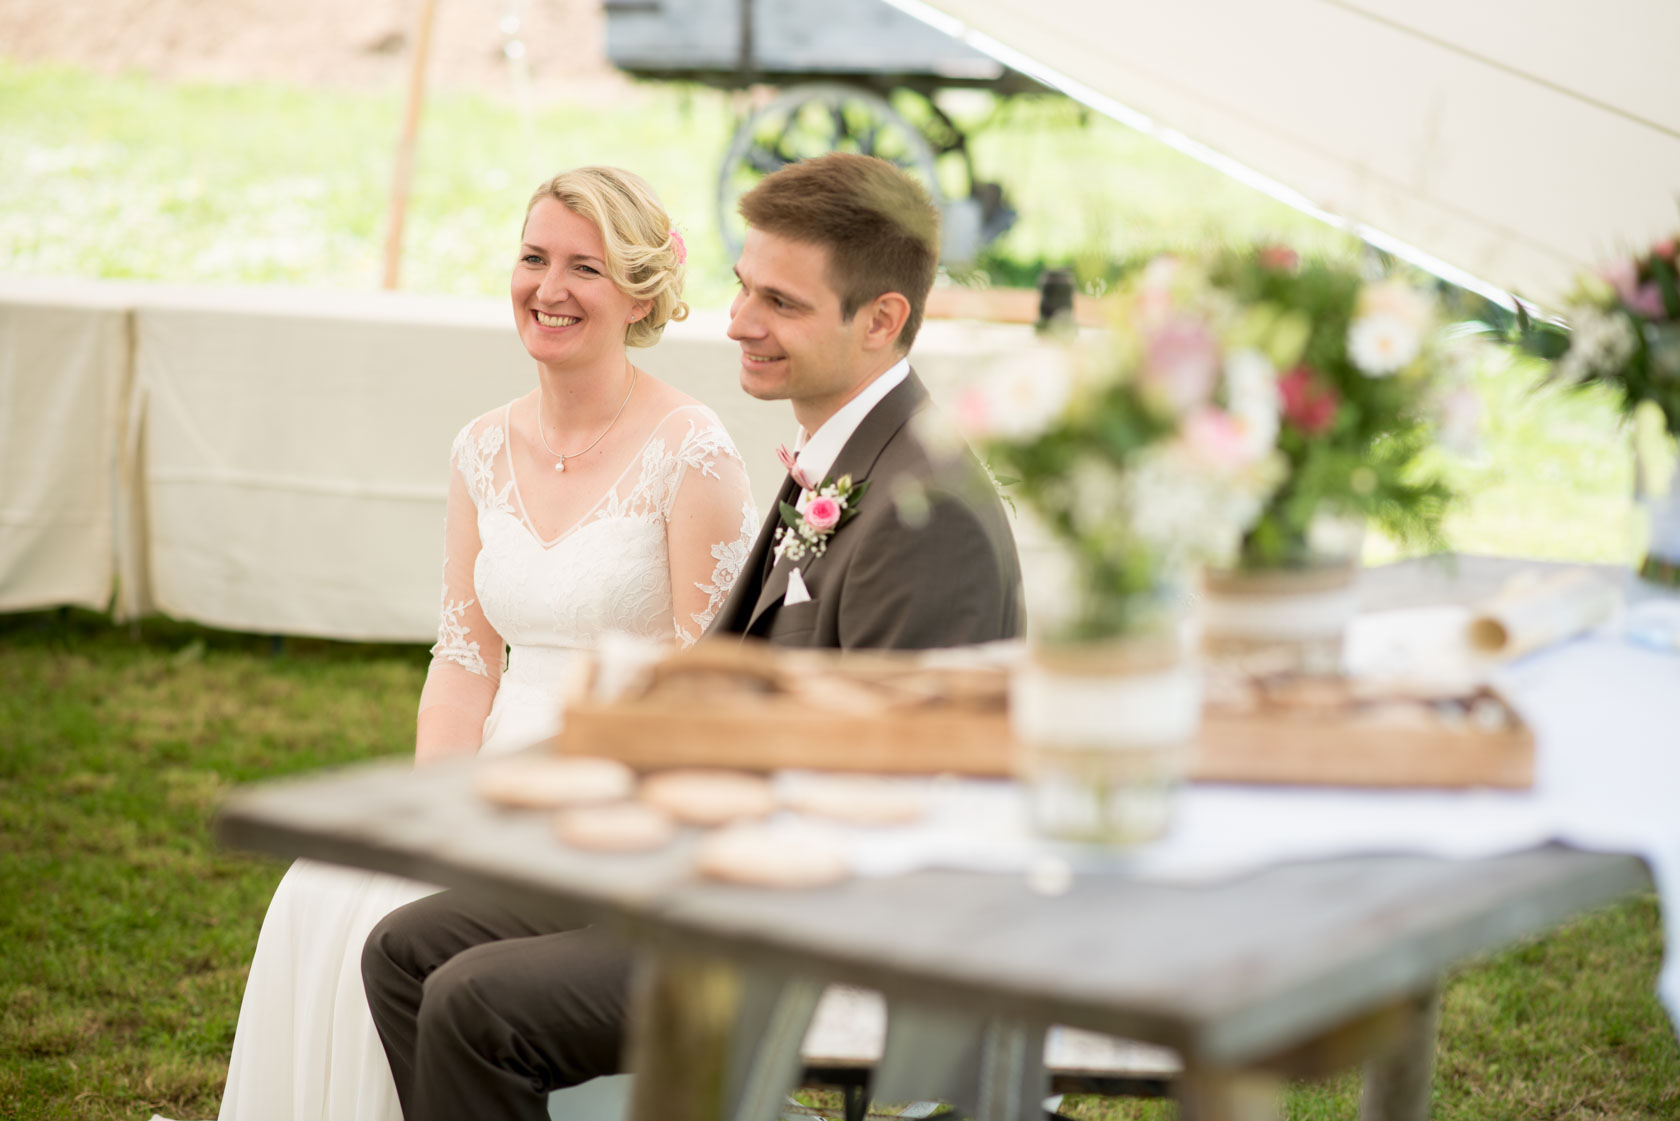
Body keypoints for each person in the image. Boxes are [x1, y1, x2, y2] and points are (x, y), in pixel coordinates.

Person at [360, 152, 1023, 1121]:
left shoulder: (926, 508)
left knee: (475, 1000)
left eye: (782, 304)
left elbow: (890, 790)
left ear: (880, 319)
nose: (741, 322)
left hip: (808, 920)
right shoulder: (840, 456)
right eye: (745, 288)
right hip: (720, 860)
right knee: (407, 948)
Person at [210, 167, 756, 1121]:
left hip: (614, 793)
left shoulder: (693, 450)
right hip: (487, 775)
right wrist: (435, 813)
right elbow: (464, 661)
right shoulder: (479, 448)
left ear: (638, 292)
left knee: (395, 931)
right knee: (321, 890)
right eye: (533, 258)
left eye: (583, 267)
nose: (549, 288)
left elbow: (706, 692)